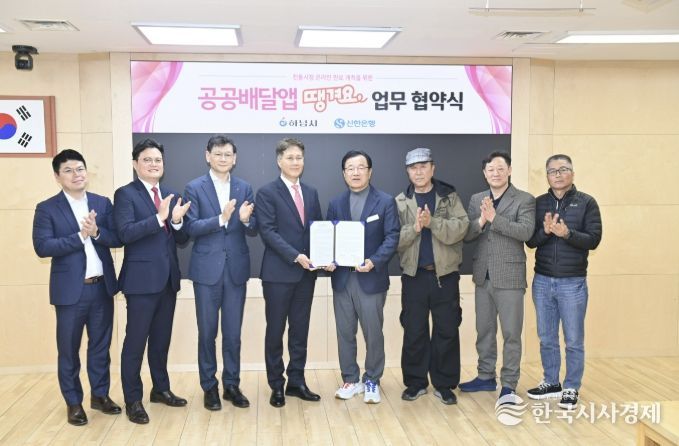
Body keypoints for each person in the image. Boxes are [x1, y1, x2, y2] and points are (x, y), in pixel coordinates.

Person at [32, 149, 122, 426]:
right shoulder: (47, 208)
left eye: (80, 169)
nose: (76, 174)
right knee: (69, 350)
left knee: (100, 347)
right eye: (68, 170)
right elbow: (43, 246)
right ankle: (73, 402)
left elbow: (117, 238)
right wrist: (80, 236)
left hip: (101, 288)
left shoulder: (102, 203)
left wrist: (96, 232)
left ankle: (100, 395)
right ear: (57, 176)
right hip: (71, 292)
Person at [113, 138, 191, 424]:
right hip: (140, 282)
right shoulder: (126, 194)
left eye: (158, 160)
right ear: (136, 164)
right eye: (147, 159)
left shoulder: (170, 193)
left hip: (167, 280)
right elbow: (124, 233)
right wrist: (159, 218)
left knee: (160, 341)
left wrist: (177, 221)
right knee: (135, 342)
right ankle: (133, 399)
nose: (154, 164)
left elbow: (181, 239)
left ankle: (160, 389)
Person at [184, 135, 257, 411]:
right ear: (208, 156)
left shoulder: (244, 187)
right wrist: (221, 219)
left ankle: (231, 385)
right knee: (207, 333)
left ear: (234, 158)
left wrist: (246, 221)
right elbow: (191, 227)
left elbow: (254, 227)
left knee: (233, 334)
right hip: (206, 272)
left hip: (235, 270)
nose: (223, 158)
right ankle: (209, 387)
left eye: (228, 154)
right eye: (218, 154)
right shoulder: (194, 187)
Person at [526, 154, 602, 410]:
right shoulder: (539, 203)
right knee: (546, 336)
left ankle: (571, 386)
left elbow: (593, 240)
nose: (557, 175)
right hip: (542, 281)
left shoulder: (587, 202)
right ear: (547, 175)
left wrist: (567, 233)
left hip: (573, 282)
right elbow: (531, 241)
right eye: (552, 171)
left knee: (573, 339)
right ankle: (551, 381)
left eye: (563, 169)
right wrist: (546, 232)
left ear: (572, 173)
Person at [459, 151, 535, 402]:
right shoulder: (477, 199)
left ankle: (509, 383)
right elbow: (467, 235)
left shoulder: (524, 199)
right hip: (483, 276)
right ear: (484, 173)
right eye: (490, 169)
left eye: (501, 169)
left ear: (509, 171)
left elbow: (526, 232)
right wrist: (482, 220)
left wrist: (495, 218)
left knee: (511, 333)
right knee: (484, 330)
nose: (496, 173)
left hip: (510, 276)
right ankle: (485, 376)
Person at [325, 150, 400, 404]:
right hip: (342, 280)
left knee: (373, 332)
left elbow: (392, 236)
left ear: (370, 171)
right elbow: (329, 237)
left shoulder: (385, 201)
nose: (355, 172)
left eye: (360, 167)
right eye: (350, 168)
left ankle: (372, 380)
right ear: (344, 173)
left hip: (371, 279)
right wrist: (328, 258)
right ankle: (350, 379)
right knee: (345, 332)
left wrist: (374, 261)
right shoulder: (336, 203)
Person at [395, 147, 469, 405]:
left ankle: (444, 384)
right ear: (408, 172)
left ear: (432, 168)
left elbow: (461, 228)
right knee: (413, 331)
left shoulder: (449, 196)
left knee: (447, 330)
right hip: (413, 276)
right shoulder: (401, 201)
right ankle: (415, 383)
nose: (419, 172)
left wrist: (432, 223)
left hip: (445, 276)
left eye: (423, 166)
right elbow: (394, 240)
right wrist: (415, 228)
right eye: (413, 168)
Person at [255, 138, 323, 408]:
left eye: (299, 158)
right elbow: (268, 232)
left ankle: (296, 381)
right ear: (279, 161)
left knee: (299, 331)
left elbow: (317, 229)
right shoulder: (267, 193)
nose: (296, 162)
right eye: (290, 158)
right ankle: (276, 385)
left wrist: (325, 256)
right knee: (275, 332)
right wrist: (296, 256)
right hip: (278, 275)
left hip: (306, 276)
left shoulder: (311, 192)